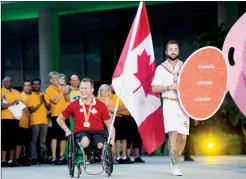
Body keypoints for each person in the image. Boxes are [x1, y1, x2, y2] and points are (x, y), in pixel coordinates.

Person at [151, 40, 189, 176]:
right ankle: (175, 166)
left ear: (178, 51)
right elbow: (154, 87)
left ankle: (175, 159)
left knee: (183, 138)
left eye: (175, 49)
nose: (173, 51)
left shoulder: (185, 67)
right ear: (166, 52)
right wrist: (168, 87)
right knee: (173, 134)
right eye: (170, 49)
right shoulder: (161, 68)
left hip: (184, 105)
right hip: (169, 103)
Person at [56, 78, 115, 160]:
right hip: (81, 132)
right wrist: (67, 130)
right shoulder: (73, 105)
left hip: (98, 132)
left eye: (85, 88)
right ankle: (86, 154)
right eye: (81, 88)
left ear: (92, 89)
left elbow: (109, 124)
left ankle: (99, 153)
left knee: (100, 145)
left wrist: (112, 139)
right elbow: (59, 119)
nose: (83, 90)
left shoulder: (101, 105)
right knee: (85, 142)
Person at [45, 72, 70, 165]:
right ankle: (54, 157)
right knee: (55, 136)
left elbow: (68, 99)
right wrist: (61, 92)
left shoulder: (61, 87)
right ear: (51, 80)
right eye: (55, 78)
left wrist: (65, 91)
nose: (57, 80)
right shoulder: (49, 90)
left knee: (64, 136)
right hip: (56, 115)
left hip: (65, 114)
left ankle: (61, 156)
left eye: (58, 78)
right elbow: (55, 101)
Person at [1, 77, 23, 167]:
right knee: (3, 140)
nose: (6, 83)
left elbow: (21, 105)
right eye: (4, 81)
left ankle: (10, 160)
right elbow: (2, 106)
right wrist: (12, 104)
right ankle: (3, 160)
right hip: (3, 119)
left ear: (12, 82)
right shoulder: (1, 91)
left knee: (13, 140)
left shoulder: (17, 92)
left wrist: (16, 104)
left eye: (8, 81)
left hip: (14, 119)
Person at [28, 78, 51, 165]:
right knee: (34, 141)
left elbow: (49, 107)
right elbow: (31, 110)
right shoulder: (30, 96)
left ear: (40, 85)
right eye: (34, 84)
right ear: (32, 85)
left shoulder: (44, 95)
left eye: (38, 84)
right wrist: (40, 103)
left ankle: (43, 157)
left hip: (44, 121)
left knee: (43, 141)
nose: (36, 85)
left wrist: (44, 100)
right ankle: (34, 158)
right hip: (35, 121)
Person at [109, 93, 133, 164]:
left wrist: (123, 108)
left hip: (127, 118)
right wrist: (125, 107)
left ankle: (124, 156)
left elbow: (131, 107)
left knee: (125, 139)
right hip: (118, 118)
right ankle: (118, 156)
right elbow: (113, 109)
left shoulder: (127, 96)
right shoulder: (115, 97)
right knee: (118, 139)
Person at [15, 80, 32, 166]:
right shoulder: (19, 96)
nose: (27, 87)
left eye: (29, 85)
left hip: (31, 123)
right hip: (20, 123)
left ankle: (28, 158)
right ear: (23, 87)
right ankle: (17, 159)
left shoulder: (34, 95)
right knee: (19, 143)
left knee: (28, 143)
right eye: (25, 85)